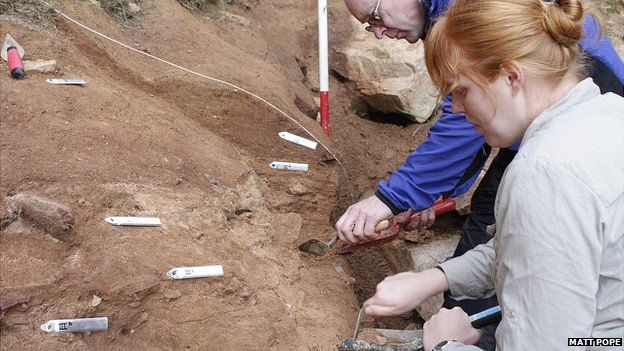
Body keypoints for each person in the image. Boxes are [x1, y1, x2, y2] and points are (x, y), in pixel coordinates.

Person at [337, 0, 623, 348]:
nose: (455, 108)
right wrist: (435, 278)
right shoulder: (608, 112)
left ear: (512, 77)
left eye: (461, 91)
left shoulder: (543, 174)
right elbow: (525, 247)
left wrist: (446, 345)